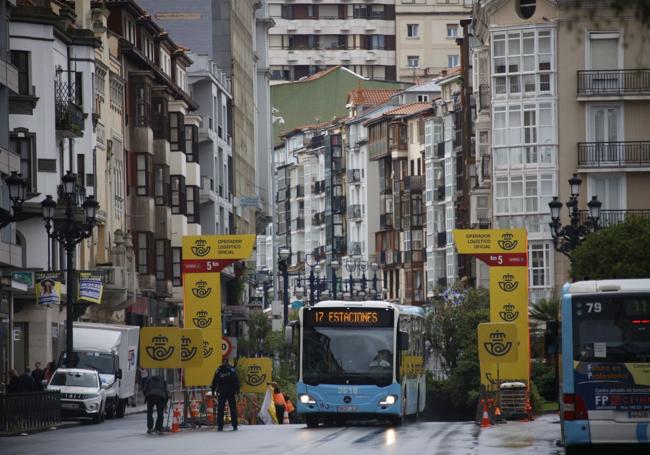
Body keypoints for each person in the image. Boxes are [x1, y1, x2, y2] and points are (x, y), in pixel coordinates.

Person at [211, 358, 239, 431]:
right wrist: (213, 391)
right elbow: (214, 381)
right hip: (223, 392)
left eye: (225, 362)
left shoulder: (231, 370)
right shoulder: (219, 371)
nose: (225, 363)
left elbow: (236, 380)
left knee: (232, 409)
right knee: (221, 409)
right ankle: (220, 426)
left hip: (230, 392)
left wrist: (237, 391)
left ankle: (234, 425)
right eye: (224, 362)